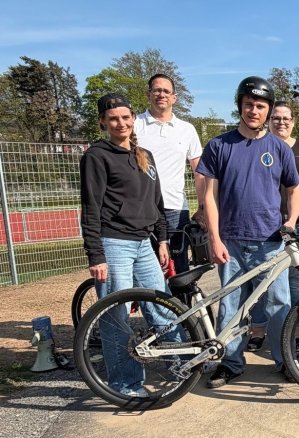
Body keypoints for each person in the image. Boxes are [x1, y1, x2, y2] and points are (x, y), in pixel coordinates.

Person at [196, 76, 299, 388]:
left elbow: (294, 189)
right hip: (231, 242)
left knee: (279, 303)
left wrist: (291, 221)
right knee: (230, 306)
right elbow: (208, 198)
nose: (253, 111)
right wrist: (215, 238)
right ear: (240, 107)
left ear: (268, 110)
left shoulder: (278, 148)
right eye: (248, 105)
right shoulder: (219, 146)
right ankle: (230, 363)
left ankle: (286, 361)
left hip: (270, 242)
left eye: (260, 106)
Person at [80, 93, 172, 397]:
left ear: (133, 118)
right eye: (114, 118)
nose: (121, 123)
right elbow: (91, 208)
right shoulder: (97, 155)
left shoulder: (143, 155)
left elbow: (156, 203)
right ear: (103, 122)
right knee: (116, 317)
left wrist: (163, 240)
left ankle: (181, 362)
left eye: (125, 117)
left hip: (144, 243)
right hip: (114, 243)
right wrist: (97, 254)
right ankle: (125, 384)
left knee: (163, 308)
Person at [248, 101, 299, 353]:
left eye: (286, 118)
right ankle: (259, 328)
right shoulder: (258, 146)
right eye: (276, 118)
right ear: (268, 120)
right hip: (266, 227)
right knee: (264, 279)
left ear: (293, 121)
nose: (280, 122)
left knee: (298, 279)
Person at [134, 73, 205, 273]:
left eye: (166, 91)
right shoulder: (135, 125)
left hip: (175, 208)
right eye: (156, 90)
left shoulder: (187, 129)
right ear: (148, 94)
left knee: (178, 268)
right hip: (142, 209)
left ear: (174, 97)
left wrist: (202, 208)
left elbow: (199, 171)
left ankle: (180, 305)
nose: (161, 94)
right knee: (147, 268)